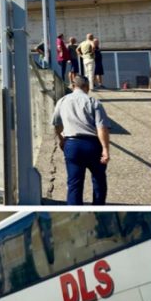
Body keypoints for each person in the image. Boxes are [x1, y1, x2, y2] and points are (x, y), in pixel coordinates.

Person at [52, 75, 110, 205]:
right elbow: (102, 128)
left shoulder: (62, 101)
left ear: (73, 86)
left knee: (74, 183)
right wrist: (105, 149)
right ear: (87, 87)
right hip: (93, 145)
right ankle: (98, 209)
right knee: (99, 180)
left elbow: (56, 124)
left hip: (72, 144)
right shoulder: (93, 102)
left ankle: (75, 212)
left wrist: (62, 139)